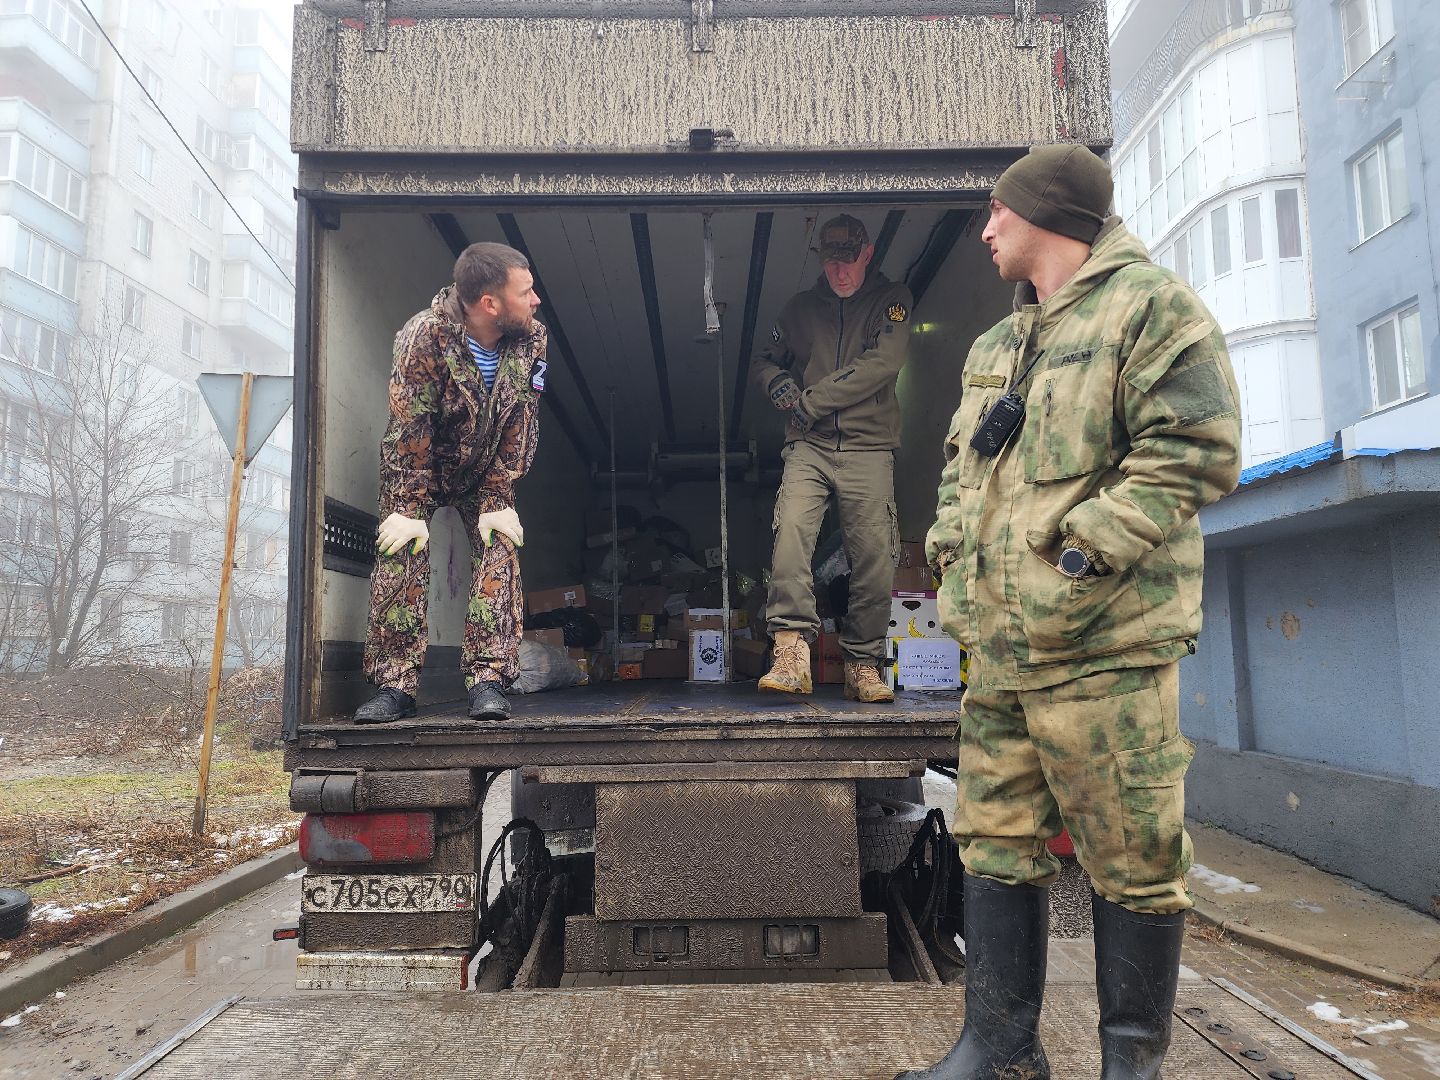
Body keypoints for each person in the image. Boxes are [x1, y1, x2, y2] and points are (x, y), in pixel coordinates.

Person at [900, 146, 1242, 1080]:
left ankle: (1130, 1067)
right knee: (993, 843)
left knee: (1133, 857)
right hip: (1000, 653)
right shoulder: (996, 346)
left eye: (998, 212)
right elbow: (962, 473)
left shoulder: (1151, 310)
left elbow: (1198, 449)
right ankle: (1000, 1050)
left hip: (1105, 649)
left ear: (1047, 213)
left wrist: (1081, 552)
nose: (985, 229)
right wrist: (950, 559)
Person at [353, 242, 547, 724]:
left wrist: (499, 493)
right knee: (401, 548)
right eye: (525, 292)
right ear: (490, 303)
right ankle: (395, 686)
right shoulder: (424, 336)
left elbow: (522, 419)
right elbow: (411, 425)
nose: (536, 300)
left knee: (500, 544)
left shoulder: (531, 338)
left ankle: (488, 680)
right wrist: (408, 507)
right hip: (421, 466)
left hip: (486, 469)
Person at [751, 214, 914, 704]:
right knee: (791, 534)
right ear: (821, 259)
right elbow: (763, 359)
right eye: (831, 261)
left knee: (875, 558)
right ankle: (790, 651)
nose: (841, 271)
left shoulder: (893, 300)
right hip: (810, 446)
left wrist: (812, 401)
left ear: (867, 254)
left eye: (849, 260)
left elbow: (883, 363)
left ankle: (862, 664)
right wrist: (777, 383)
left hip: (869, 446)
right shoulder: (799, 309)